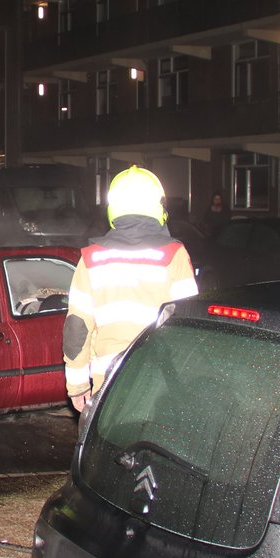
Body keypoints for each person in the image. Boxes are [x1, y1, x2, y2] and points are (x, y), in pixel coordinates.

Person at [64, 167, 199, 411]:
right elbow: (189, 323)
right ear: (158, 205)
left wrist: (77, 385)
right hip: (161, 383)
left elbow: (77, 326)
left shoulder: (91, 259)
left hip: (109, 382)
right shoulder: (175, 255)